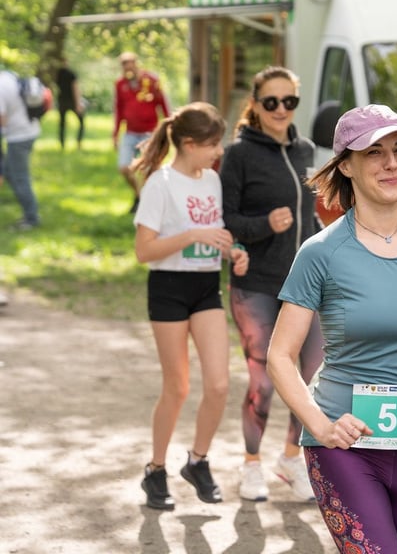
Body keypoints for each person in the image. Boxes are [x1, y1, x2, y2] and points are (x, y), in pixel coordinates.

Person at [265, 104, 397, 553]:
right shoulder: (321, 252)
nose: (391, 163)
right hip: (345, 446)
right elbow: (280, 356)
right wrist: (321, 425)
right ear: (346, 165)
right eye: (374, 153)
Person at [133, 101, 249, 511]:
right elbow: (143, 251)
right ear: (188, 143)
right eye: (213, 144)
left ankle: (197, 461)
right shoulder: (160, 184)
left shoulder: (211, 181)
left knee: (219, 385)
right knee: (177, 387)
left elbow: (213, 236)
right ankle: (155, 469)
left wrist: (233, 251)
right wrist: (193, 235)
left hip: (205, 287)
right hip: (168, 287)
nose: (219, 152)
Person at [220, 65, 325, 502]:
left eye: (289, 101)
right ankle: (250, 464)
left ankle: (290, 458)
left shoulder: (305, 150)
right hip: (257, 284)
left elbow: (308, 215)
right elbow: (225, 219)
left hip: (304, 286)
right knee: (263, 381)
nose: (281, 109)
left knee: (313, 377)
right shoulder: (238, 155)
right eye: (271, 102)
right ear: (256, 105)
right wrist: (265, 224)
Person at [113, 51, 170, 214]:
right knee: (124, 167)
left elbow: (162, 103)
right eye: (124, 65)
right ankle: (139, 196)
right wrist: (115, 133)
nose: (127, 68)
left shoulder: (151, 81)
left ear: (136, 64)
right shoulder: (120, 84)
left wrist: (168, 126)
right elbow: (119, 109)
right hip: (130, 133)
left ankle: (151, 202)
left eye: (130, 64)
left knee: (151, 169)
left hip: (149, 132)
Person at [0, 67, 41, 230]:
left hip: (19, 136)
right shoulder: (8, 76)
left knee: (19, 177)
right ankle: (29, 211)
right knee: (10, 173)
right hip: (30, 129)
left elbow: (2, 119)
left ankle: (31, 218)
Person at [56, 58, 85, 150]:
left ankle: (63, 144)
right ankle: (76, 143)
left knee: (62, 123)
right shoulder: (68, 74)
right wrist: (78, 104)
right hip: (70, 101)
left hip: (63, 101)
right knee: (80, 122)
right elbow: (75, 89)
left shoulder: (59, 74)